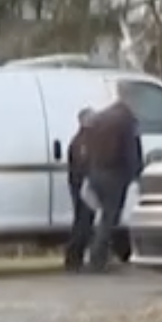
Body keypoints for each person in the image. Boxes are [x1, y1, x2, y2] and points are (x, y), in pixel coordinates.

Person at [78, 98, 144, 273]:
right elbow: (131, 150)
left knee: (104, 217)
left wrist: (90, 171)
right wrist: (135, 174)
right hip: (114, 174)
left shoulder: (101, 119)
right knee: (109, 218)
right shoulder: (126, 121)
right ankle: (97, 259)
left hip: (96, 172)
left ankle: (98, 255)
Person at [60, 108, 97, 271]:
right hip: (83, 185)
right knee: (83, 222)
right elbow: (83, 164)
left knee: (84, 222)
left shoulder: (82, 140)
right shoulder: (83, 141)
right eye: (92, 118)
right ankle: (73, 258)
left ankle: (77, 258)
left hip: (81, 184)